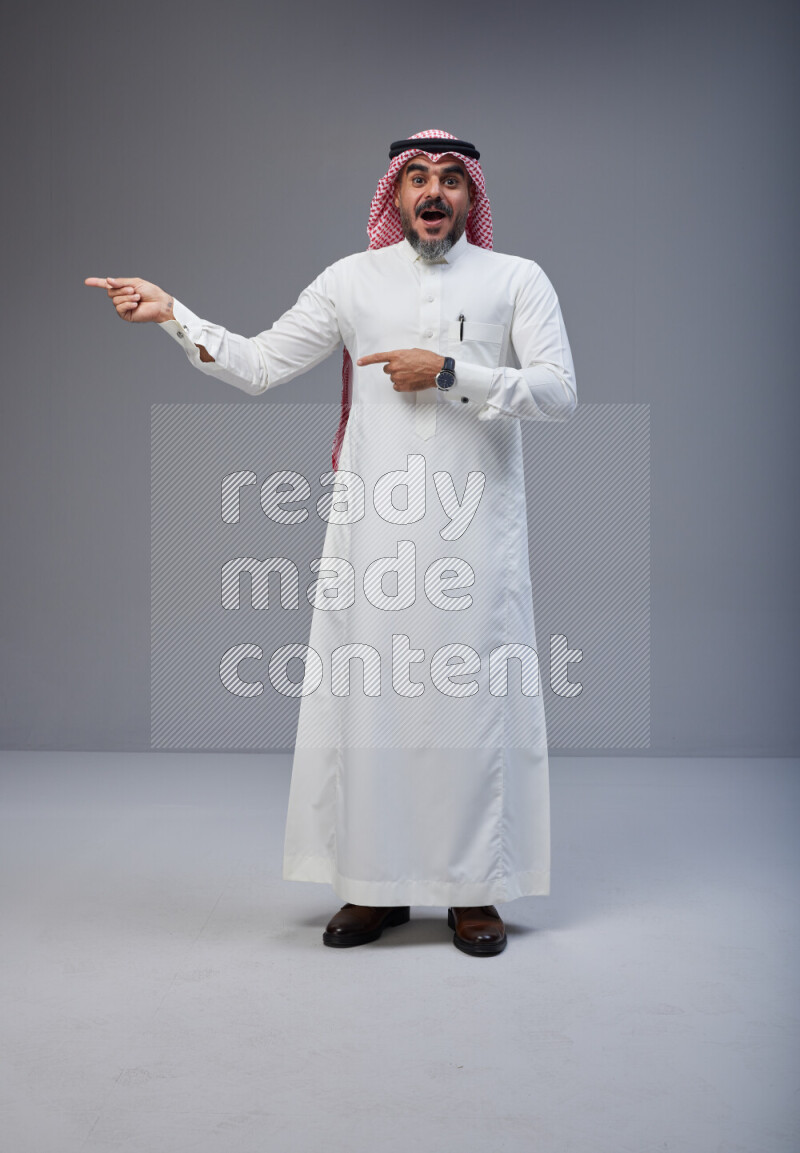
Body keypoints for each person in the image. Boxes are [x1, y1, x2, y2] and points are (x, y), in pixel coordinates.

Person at [86, 129, 577, 958]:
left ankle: (473, 893)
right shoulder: (351, 281)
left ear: (470, 197)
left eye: (451, 180)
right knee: (370, 704)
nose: (432, 192)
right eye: (416, 177)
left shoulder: (516, 280)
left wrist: (453, 372)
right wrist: (173, 314)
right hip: (372, 534)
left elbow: (558, 392)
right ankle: (372, 885)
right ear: (392, 194)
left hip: (475, 535)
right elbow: (258, 363)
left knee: (468, 703)